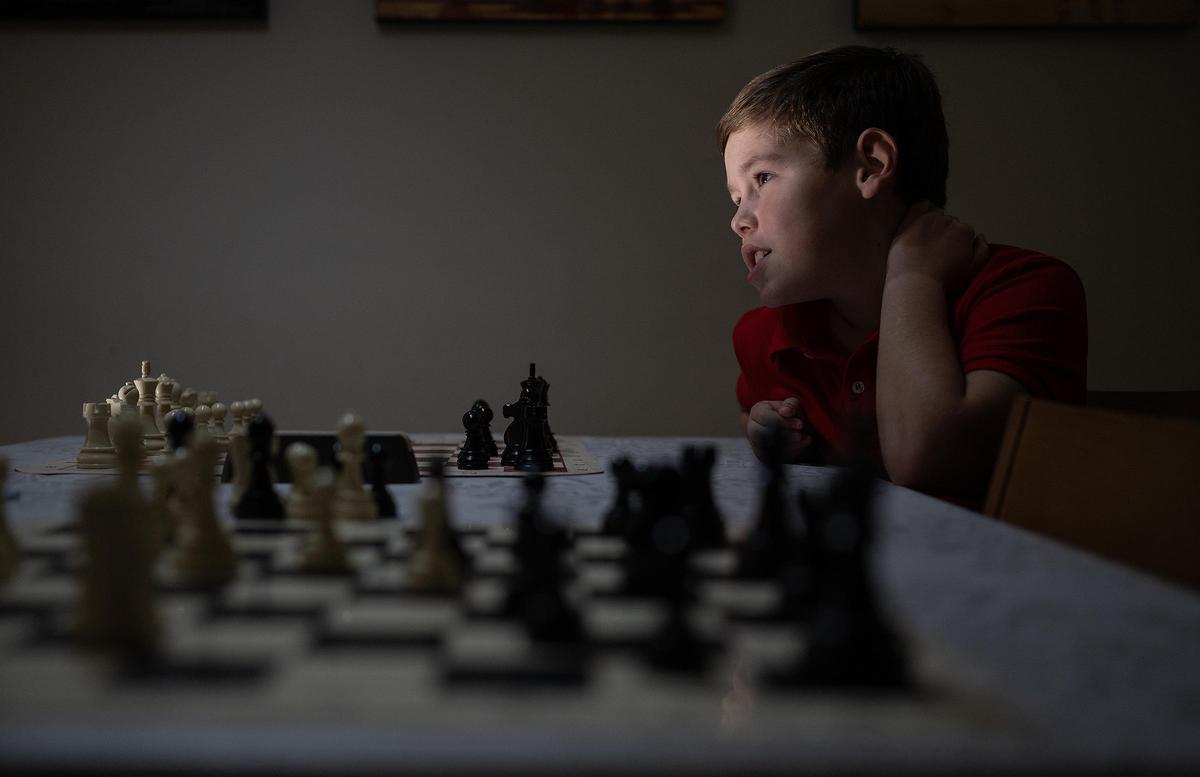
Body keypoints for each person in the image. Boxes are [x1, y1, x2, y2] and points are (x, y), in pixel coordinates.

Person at [721, 46, 1087, 506]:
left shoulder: (1027, 291)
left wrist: (913, 278)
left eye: (764, 178)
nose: (739, 221)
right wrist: (763, 426)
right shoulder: (766, 334)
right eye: (736, 199)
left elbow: (926, 465)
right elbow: (747, 410)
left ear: (871, 165)